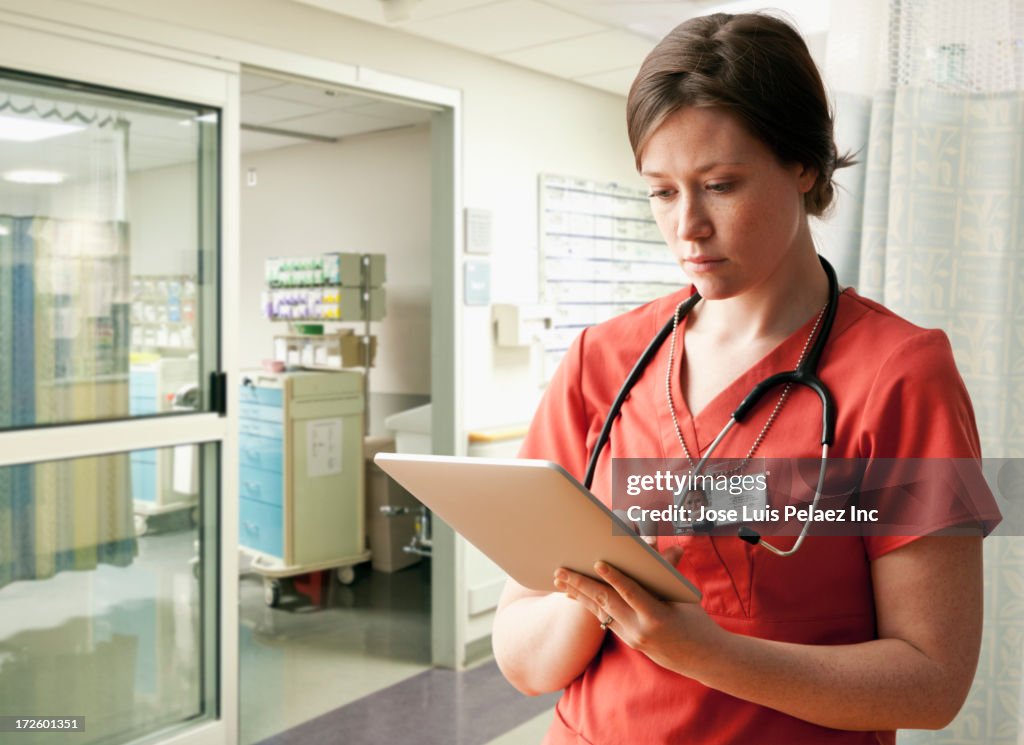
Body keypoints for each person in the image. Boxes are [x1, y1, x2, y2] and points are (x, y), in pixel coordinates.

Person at [491, 12, 1001, 745]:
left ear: (804, 165)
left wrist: (702, 650)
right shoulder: (601, 361)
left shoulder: (899, 374)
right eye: (662, 192)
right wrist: (602, 589)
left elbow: (932, 680)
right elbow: (523, 655)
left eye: (720, 184)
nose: (688, 226)